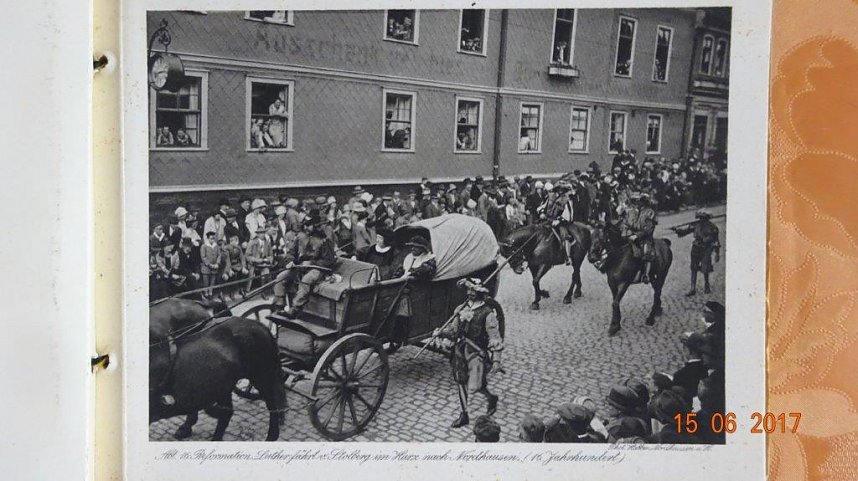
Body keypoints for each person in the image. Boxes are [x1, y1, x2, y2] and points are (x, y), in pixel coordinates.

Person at [433, 278, 503, 428]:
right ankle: (464, 414)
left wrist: (496, 360)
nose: (470, 293)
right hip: (460, 350)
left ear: (480, 292)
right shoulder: (461, 308)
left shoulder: (487, 313)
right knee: (460, 380)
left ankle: (491, 398)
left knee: (477, 386)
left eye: (473, 290)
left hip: (476, 353)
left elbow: (495, 337)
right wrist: (441, 332)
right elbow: (453, 330)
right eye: (468, 290)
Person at [274, 211, 337, 318]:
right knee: (281, 277)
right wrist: (290, 261)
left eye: (310, 225)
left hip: (318, 269)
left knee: (306, 280)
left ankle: (295, 309)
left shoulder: (325, 241)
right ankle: (279, 306)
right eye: (306, 225)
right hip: (299, 266)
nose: (307, 227)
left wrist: (312, 262)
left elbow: (329, 261)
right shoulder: (299, 237)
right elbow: (291, 253)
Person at [675, 210, 721, 296]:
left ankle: (706, 284)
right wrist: (678, 231)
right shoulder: (696, 225)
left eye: (703, 218)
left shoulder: (713, 227)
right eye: (700, 218)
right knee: (693, 267)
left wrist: (717, 253)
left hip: (706, 248)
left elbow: (716, 242)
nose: (701, 220)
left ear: (707, 218)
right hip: (696, 247)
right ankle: (692, 288)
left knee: (705, 267)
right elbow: (685, 232)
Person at [618, 191, 657, 283]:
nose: (635, 203)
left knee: (646, 252)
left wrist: (637, 236)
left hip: (645, 238)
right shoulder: (637, 212)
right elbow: (634, 224)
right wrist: (626, 224)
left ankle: (646, 275)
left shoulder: (650, 213)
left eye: (637, 201)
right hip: (633, 236)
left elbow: (648, 229)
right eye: (635, 201)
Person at [244, 225, 273, 292]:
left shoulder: (267, 243)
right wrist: (256, 260)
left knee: (266, 272)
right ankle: (247, 290)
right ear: (257, 234)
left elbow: (271, 255)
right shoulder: (252, 242)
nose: (262, 235)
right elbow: (247, 256)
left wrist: (268, 259)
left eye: (263, 233)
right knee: (251, 275)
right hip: (253, 264)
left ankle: (264, 291)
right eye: (260, 233)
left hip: (264, 264)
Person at [199, 231, 222, 298]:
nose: (213, 240)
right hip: (206, 267)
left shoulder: (216, 246)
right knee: (206, 281)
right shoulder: (204, 246)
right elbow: (203, 257)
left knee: (212, 280)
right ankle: (206, 292)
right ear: (208, 239)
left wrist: (217, 263)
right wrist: (209, 264)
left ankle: (210, 292)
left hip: (215, 266)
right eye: (211, 238)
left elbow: (219, 255)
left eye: (214, 238)